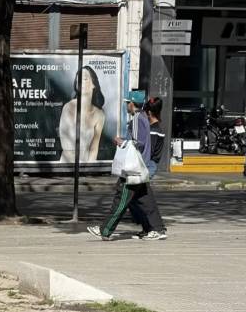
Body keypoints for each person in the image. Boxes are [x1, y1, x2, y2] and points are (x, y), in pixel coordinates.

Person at [87, 90, 165, 241]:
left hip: (133, 169)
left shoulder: (136, 119)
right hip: (140, 167)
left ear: (131, 104)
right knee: (145, 199)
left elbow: (138, 143)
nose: (126, 106)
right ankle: (157, 229)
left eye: (127, 103)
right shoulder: (143, 118)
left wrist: (121, 142)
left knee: (120, 199)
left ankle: (105, 230)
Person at [125, 97, 168, 240]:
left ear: (149, 113)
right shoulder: (155, 128)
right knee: (136, 198)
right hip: (148, 164)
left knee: (141, 197)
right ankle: (148, 227)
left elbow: (146, 152)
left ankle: (155, 228)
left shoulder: (154, 131)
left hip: (148, 165)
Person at [59, 66, 107, 164]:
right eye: (78, 79)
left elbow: (94, 147)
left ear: (94, 84)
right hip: (66, 165)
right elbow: (66, 144)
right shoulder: (68, 107)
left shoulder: (99, 114)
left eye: (85, 79)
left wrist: (89, 166)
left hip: (85, 167)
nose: (81, 82)